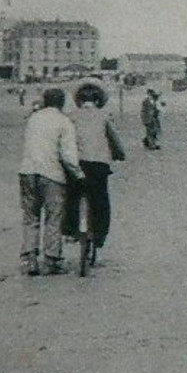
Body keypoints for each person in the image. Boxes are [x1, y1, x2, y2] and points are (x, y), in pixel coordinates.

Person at [18, 87, 85, 275]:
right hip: (51, 173)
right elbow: (69, 155)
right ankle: (51, 260)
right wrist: (79, 174)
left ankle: (30, 259)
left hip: (27, 171)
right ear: (62, 102)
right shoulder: (64, 122)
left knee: (30, 217)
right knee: (53, 217)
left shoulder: (33, 119)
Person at [63, 78, 127, 267]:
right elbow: (114, 141)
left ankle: (71, 231)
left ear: (79, 100)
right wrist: (119, 155)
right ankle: (99, 237)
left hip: (78, 164)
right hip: (99, 165)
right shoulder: (104, 116)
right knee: (101, 201)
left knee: (72, 196)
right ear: (99, 100)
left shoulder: (71, 117)